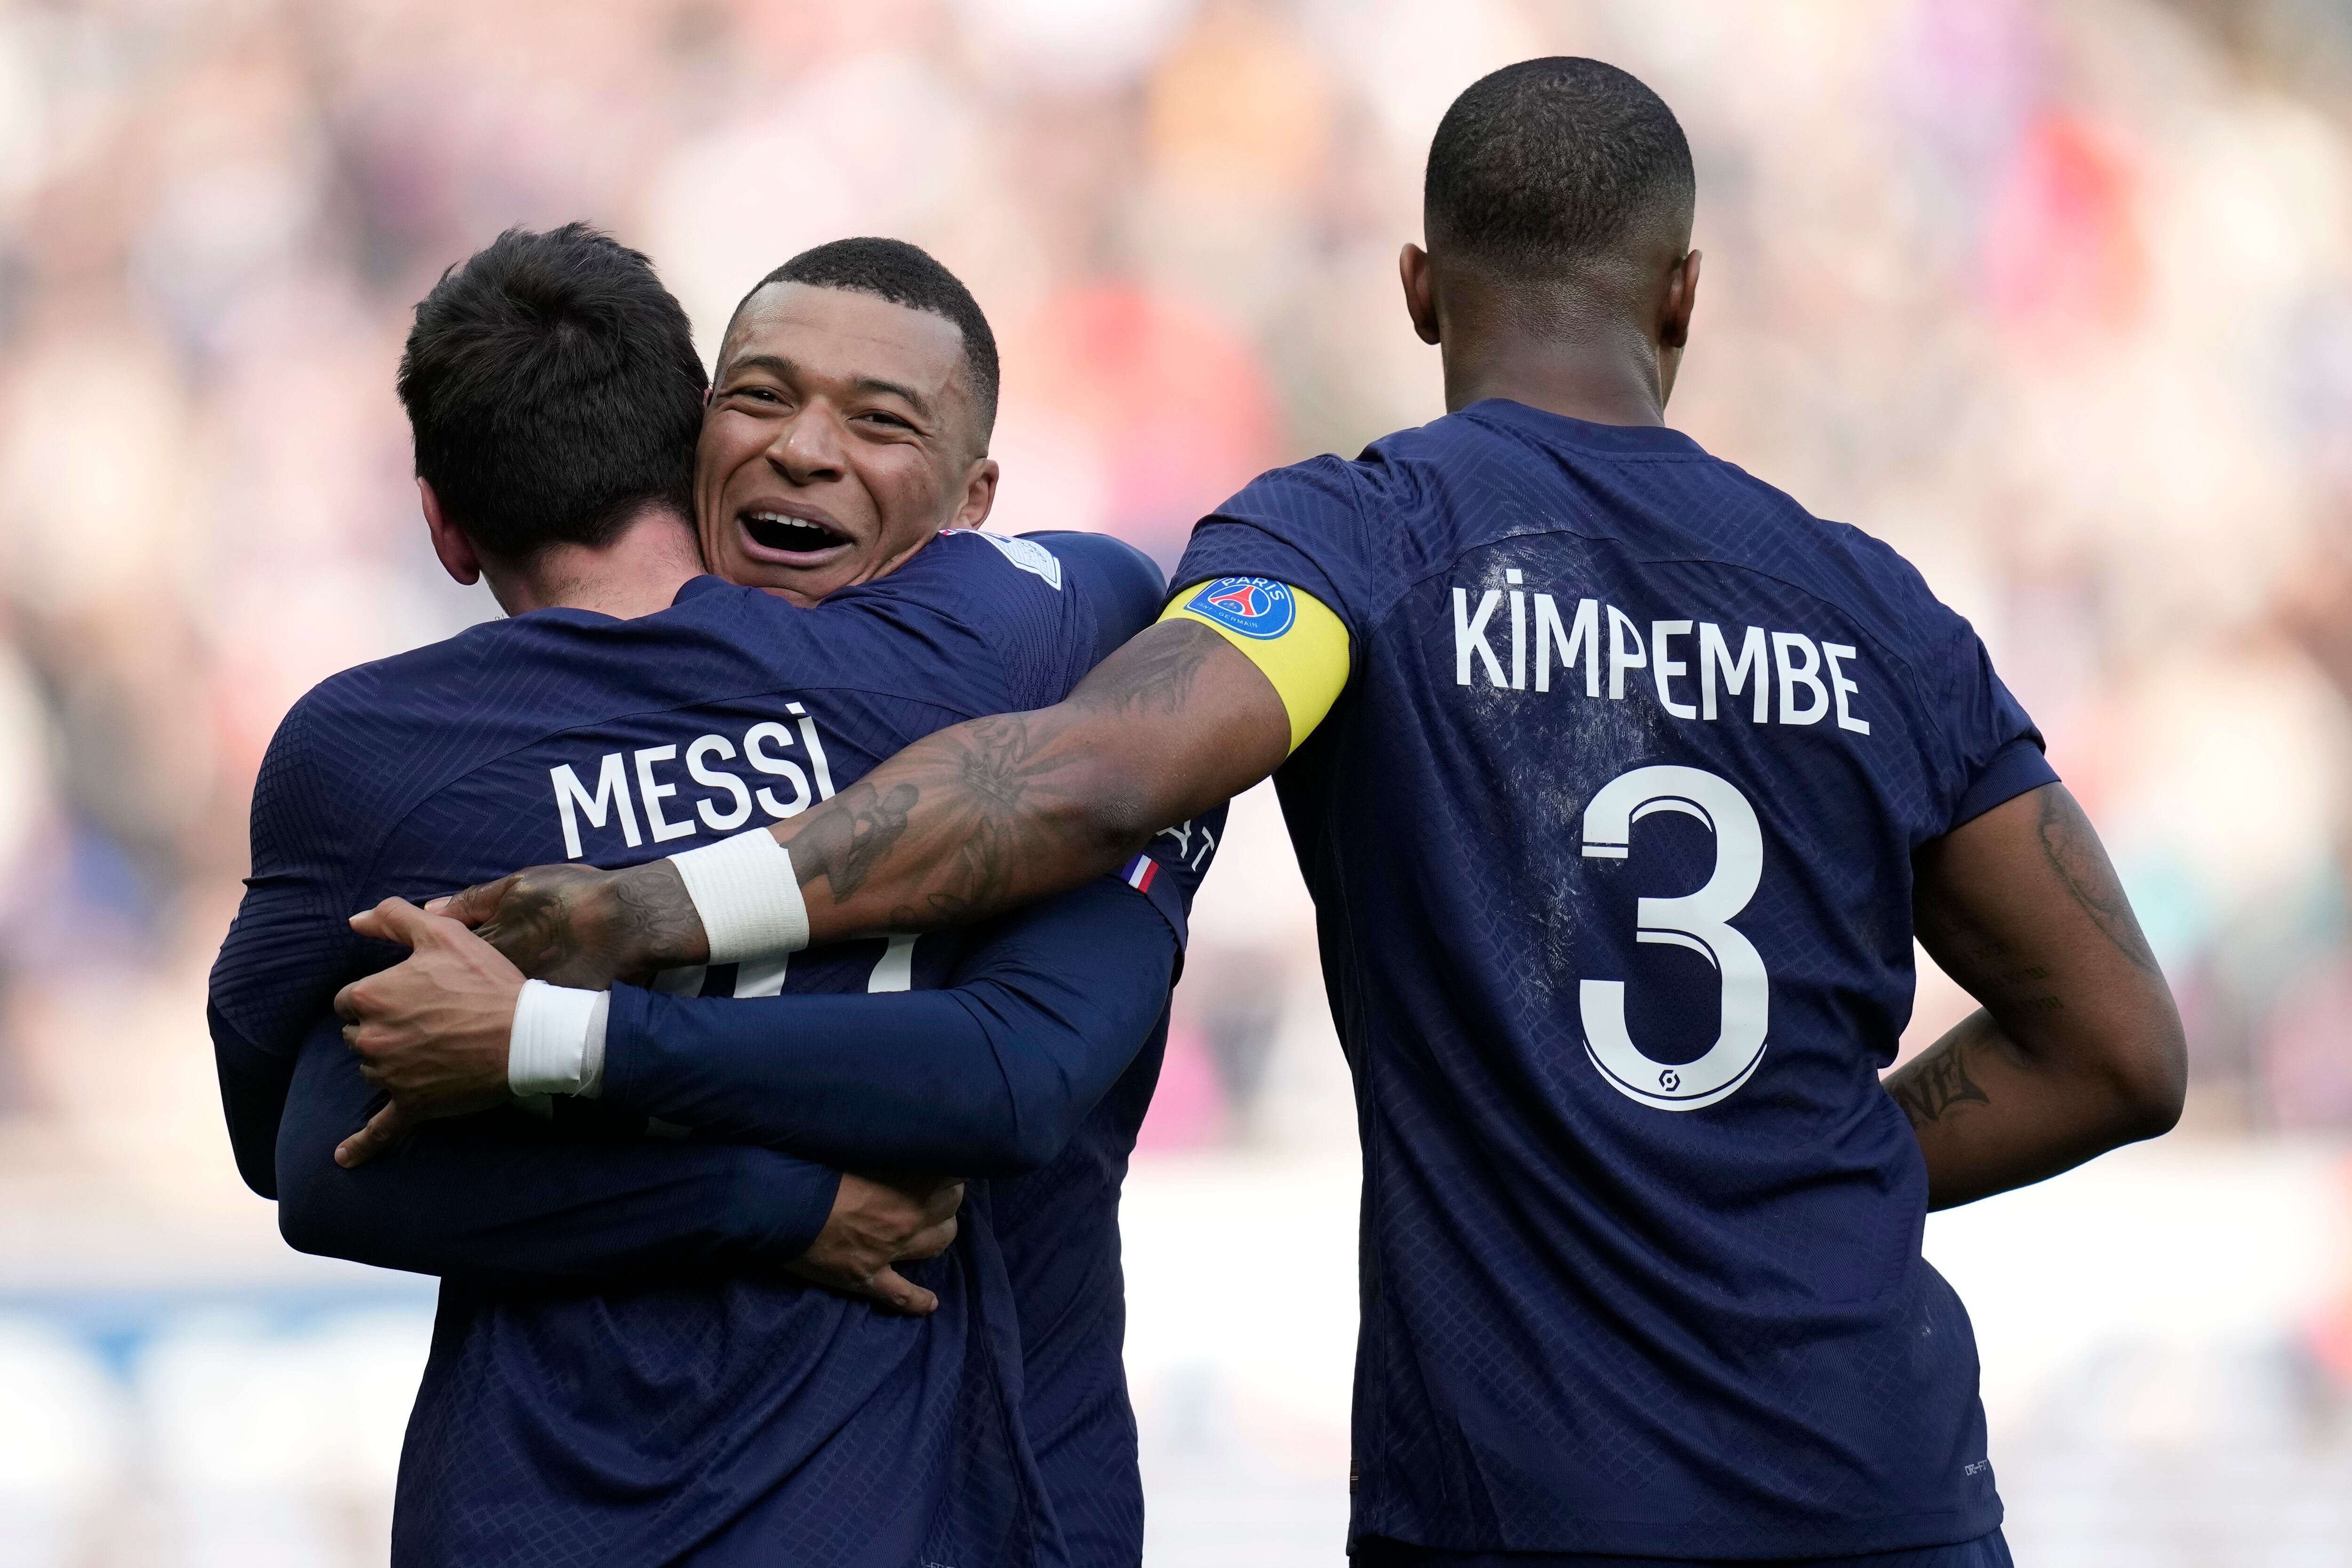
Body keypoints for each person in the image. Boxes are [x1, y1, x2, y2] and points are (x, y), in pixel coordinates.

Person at [409, 60, 2189, 1565]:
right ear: (1683, 295)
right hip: (1886, 1473)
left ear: (1419, 288)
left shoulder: (1361, 542)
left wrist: (657, 910)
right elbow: (2117, 1048)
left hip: (1532, 1486)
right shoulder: (1880, 611)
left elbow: (1089, 777)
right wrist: (1809, 1189)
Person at [211, 224, 1221, 1565]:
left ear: (444, 528)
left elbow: (305, 1158)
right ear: (688, 452)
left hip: (563, 1513)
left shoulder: (389, 753)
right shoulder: (1040, 655)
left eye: (876, 421)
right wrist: (774, 1197)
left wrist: (561, 1039)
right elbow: (321, 1163)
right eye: (764, 399)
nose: (806, 449)